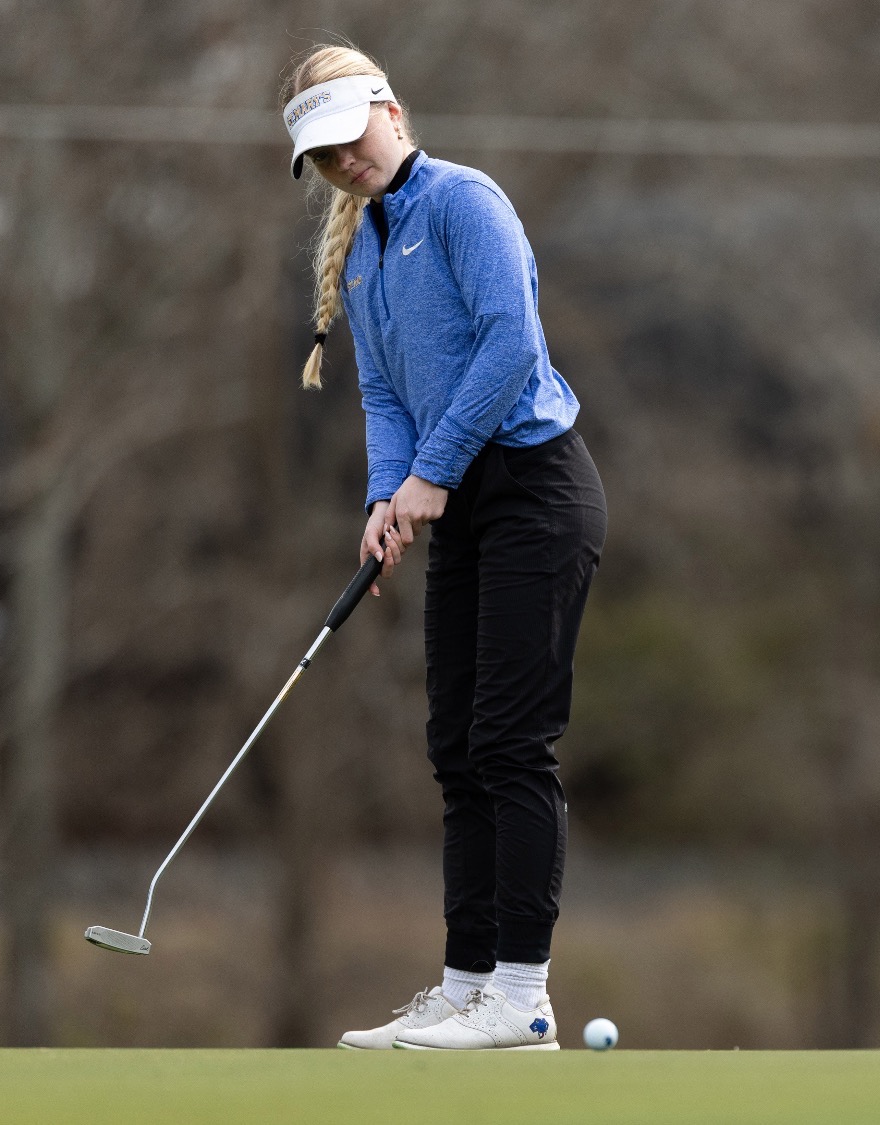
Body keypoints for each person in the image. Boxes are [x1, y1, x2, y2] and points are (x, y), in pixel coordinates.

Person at [279, 44, 607, 1051]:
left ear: (389, 109)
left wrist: (431, 472)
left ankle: (523, 996)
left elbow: (510, 343)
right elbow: (383, 393)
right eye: (321, 157)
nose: (342, 164)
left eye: (348, 140)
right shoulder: (366, 250)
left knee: (511, 744)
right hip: (457, 502)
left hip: (533, 491)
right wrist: (387, 494)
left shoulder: (465, 203)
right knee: (455, 748)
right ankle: (467, 987)